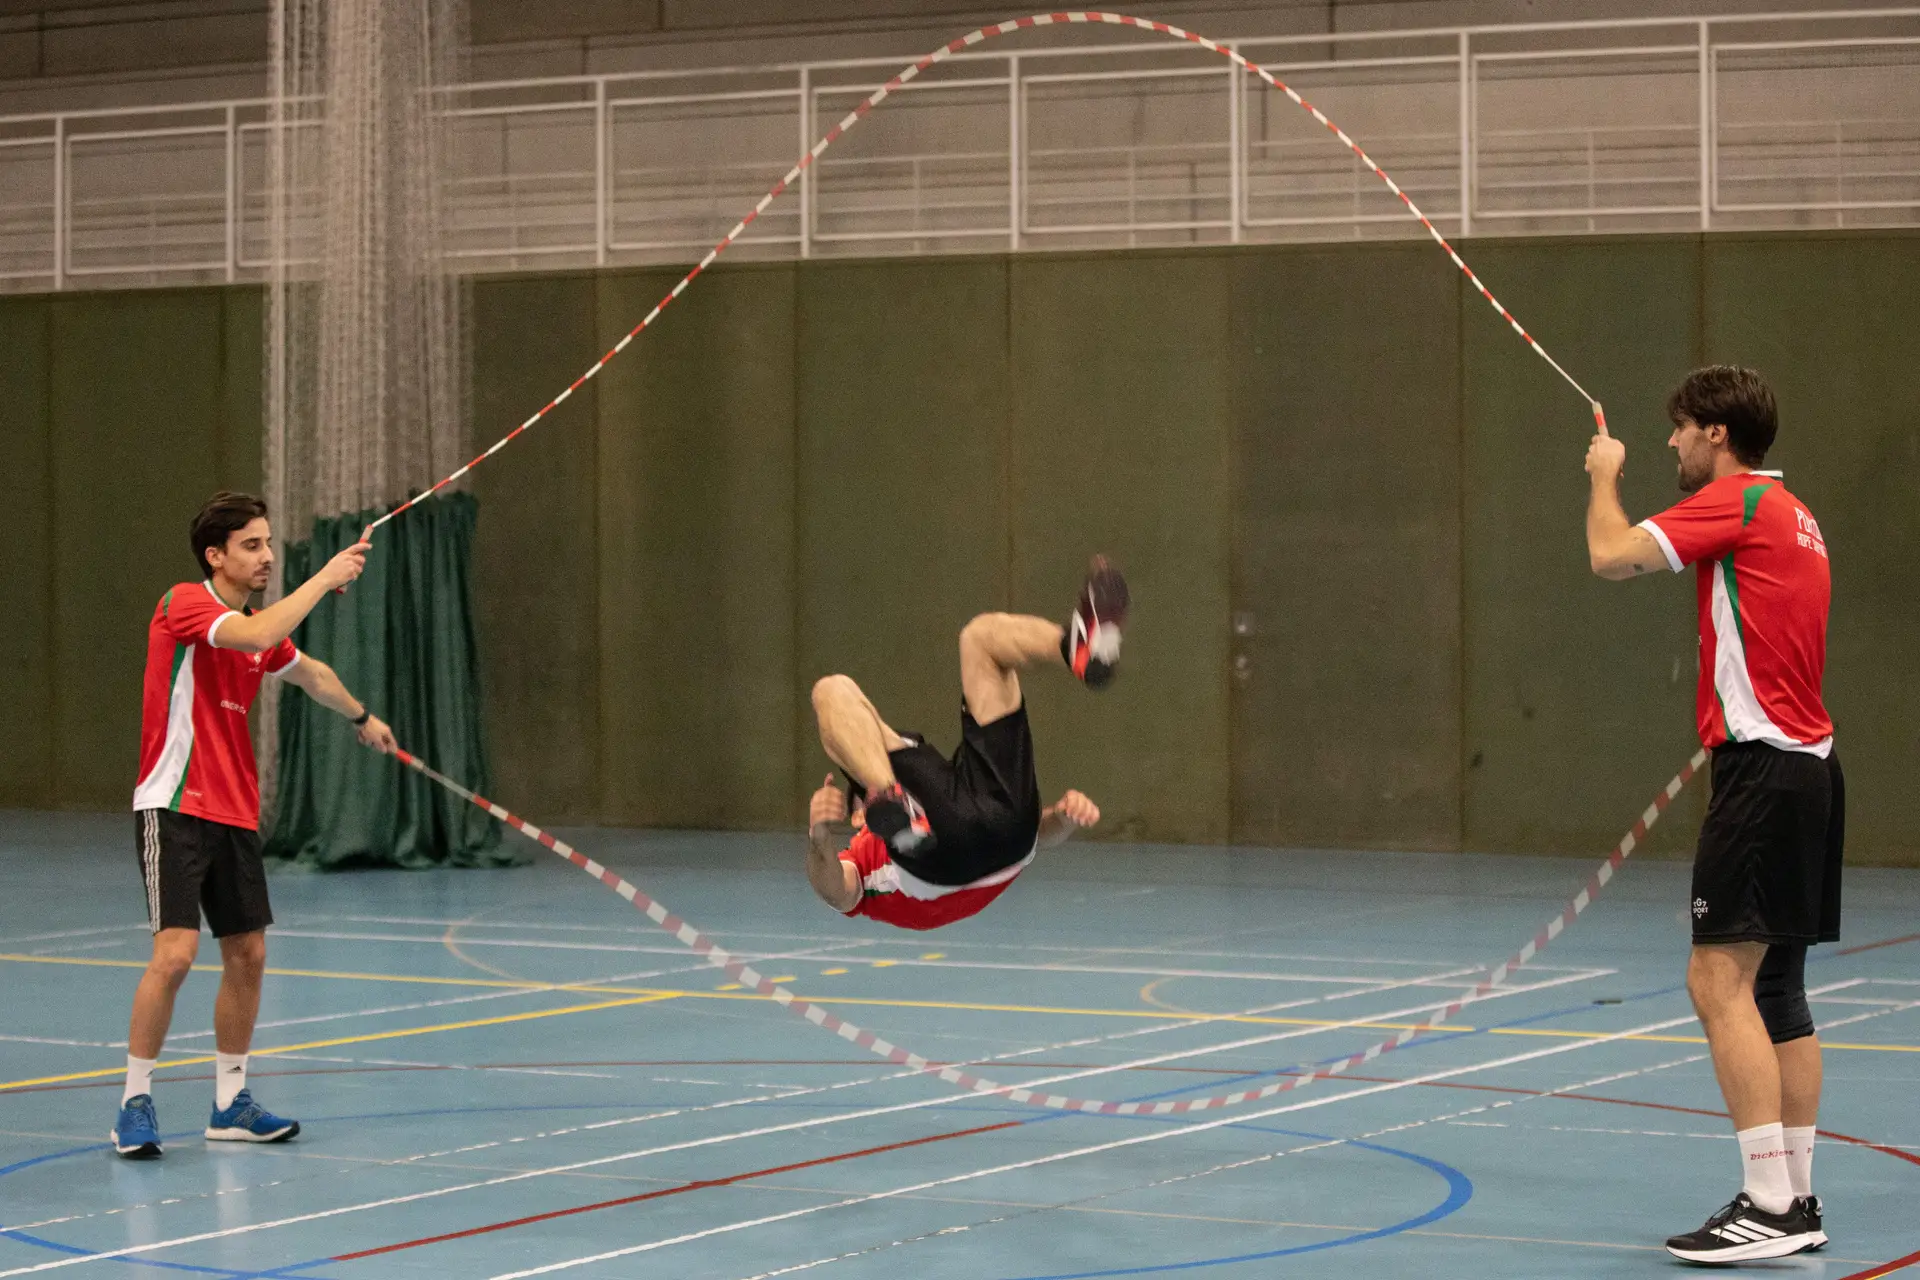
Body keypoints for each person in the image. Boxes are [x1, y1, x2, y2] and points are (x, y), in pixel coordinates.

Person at [1584, 366, 1840, 1262]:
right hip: (1811, 768)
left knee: (1716, 982)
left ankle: (1767, 1204)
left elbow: (1610, 555)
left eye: (1682, 427)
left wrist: (1604, 475)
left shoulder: (1737, 503)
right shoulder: (1795, 513)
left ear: (1717, 435)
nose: (1671, 441)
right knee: (1777, 991)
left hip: (1763, 773)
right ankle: (1796, 1198)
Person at [113, 492, 398, 1159]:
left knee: (249, 954)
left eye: (269, 543)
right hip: (173, 804)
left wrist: (361, 717)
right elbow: (259, 636)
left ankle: (230, 1104)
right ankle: (133, 1102)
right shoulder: (184, 604)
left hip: (234, 811)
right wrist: (324, 578)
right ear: (216, 556)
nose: (267, 555)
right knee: (175, 955)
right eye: (252, 545)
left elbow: (310, 672)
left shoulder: (253, 627)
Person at [803, 557, 1126, 930]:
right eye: (865, 806)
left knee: (982, 639)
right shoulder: (866, 863)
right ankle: (891, 798)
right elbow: (837, 892)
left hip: (1006, 829)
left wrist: (1061, 819)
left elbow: (1031, 833)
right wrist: (820, 837)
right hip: (940, 862)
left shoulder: (926, 782)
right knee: (830, 692)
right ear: (861, 818)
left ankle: (1079, 648)